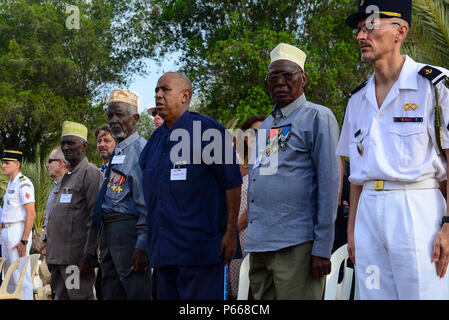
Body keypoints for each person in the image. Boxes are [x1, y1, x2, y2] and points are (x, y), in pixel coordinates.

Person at [337, 0, 449, 299]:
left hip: (416, 207)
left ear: (400, 31)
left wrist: (448, 227)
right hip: (368, 214)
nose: (361, 36)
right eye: (359, 30)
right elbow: (357, 175)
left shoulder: (434, 86)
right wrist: (352, 231)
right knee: (373, 295)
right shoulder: (357, 100)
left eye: (370, 27)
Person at [245, 43, 341, 300]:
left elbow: (329, 185)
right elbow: (264, 175)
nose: (279, 82)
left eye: (287, 75)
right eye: (273, 76)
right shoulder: (266, 125)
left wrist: (322, 247)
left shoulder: (318, 117)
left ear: (303, 79)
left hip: (297, 245)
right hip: (262, 243)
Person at [139, 72, 242, 300]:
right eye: (156, 90)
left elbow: (232, 183)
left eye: (165, 89)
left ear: (185, 95)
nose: (158, 95)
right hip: (164, 254)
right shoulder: (155, 140)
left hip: (200, 253)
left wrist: (231, 232)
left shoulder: (207, 131)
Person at [92, 89, 152, 300]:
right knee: (110, 290)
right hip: (108, 231)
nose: (114, 121)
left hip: (128, 230)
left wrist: (142, 244)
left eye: (119, 115)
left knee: (136, 291)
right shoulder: (118, 151)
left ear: (135, 118)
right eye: (110, 116)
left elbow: (145, 203)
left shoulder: (142, 150)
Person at [46, 121, 102, 300]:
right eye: (63, 143)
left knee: (78, 297)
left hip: (74, 262)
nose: (66, 148)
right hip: (57, 259)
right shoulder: (66, 176)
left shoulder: (90, 173)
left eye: (71, 143)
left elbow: (95, 217)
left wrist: (88, 254)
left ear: (84, 146)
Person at [227, 115, 266, 300]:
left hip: (251, 234)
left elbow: (258, 201)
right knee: (228, 290)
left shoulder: (266, 164)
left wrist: (235, 228)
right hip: (227, 232)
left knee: (248, 289)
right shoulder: (229, 161)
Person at [0, 150, 35, 300]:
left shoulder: (24, 183)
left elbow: (31, 212)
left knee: (20, 274)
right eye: (3, 162)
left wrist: (24, 240)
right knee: (8, 274)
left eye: (7, 163)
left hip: (18, 231)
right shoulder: (10, 184)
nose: (3, 166)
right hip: (7, 231)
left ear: (17, 165)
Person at [39, 147, 69, 257]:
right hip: (53, 246)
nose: (47, 165)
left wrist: (45, 239)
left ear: (60, 163)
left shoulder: (70, 187)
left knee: (69, 274)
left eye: (50, 161)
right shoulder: (56, 186)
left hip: (63, 248)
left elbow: (61, 218)